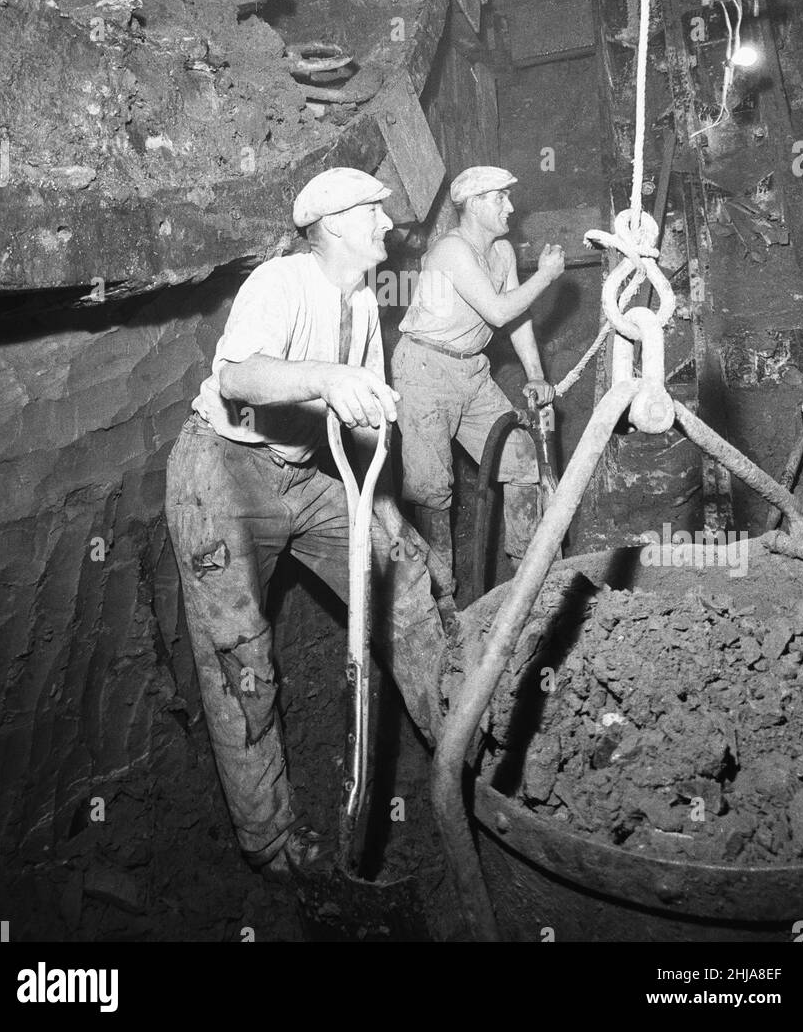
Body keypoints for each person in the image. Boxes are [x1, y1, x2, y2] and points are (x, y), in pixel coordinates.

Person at [165, 167, 447, 881]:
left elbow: (360, 431)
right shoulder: (283, 282)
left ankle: (457, 744)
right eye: (374, 213)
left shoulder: (364, 301)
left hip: (307, 475)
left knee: (403, 578)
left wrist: (386, 518)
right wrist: (324, 376)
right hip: (225, 473)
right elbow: (239, 377)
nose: (388, 224)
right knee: (240, 655)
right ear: (337, 226)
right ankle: (272, 843)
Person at [392, 165, 565, 584]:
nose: (510, 206)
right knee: (432, 490)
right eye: (499, 198)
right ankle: (442, 597)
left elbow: (516, 316)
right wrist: (545, 276)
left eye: (509, 196)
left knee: (522, 459)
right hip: (424, 370)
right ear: (471, 205)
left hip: (471, 370)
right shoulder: (452, 250)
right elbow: (497, 310)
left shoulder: (502, 252)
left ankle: (526, 576)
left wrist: (536, 374)